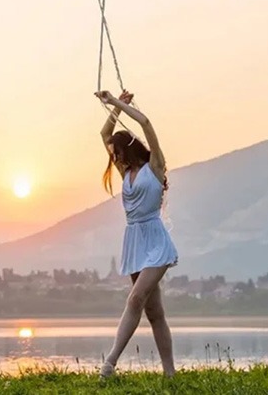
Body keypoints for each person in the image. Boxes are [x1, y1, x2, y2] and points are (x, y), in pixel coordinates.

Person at [95, 89, 178, 378]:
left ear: (127, 149)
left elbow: (145, 123)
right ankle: (170, 374)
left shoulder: (155, 166)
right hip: (134, 241)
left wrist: (117, 103)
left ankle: (109, 363)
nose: (113, 157)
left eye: (116, 152)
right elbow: (104, 132)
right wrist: (115, 106)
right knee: (154, 313)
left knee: (134, 299)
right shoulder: (124, 169)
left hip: (156, 241)